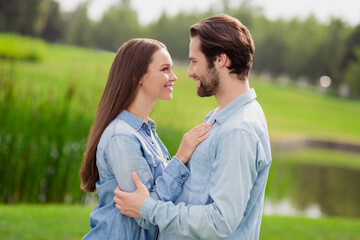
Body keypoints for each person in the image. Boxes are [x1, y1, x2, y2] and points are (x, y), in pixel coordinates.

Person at [113, 14, 272, 240]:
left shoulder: (239, 130)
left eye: (194, 61)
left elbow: (220, 221)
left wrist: (148, 208)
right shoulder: (220, 116)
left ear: (220, 60)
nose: (189, 72)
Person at [80, 38, 212, 239]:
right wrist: (180, 157)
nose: (174, 77)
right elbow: (144, 213)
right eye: (165, 69)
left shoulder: (146, 131)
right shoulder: (121, 138)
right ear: (137, 76)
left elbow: (151, 203)